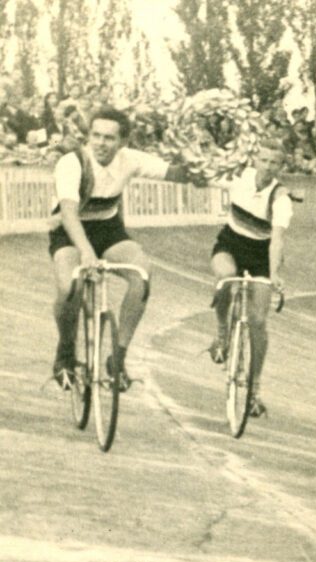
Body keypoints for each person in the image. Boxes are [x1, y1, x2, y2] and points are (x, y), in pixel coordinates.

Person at [49, 107, 197, 390]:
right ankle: (65, 353)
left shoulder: (131, 159)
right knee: (71, 287)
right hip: (70, 231)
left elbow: (177, 174)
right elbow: (68, 214)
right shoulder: (72, 163)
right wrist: (87, 253)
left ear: (123, 142)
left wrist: (199, 163)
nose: (101, 144)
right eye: (96, 136)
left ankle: (118, 358)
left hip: (107, 229)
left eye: (109, 138)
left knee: (142, 274)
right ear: (88, 136)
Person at [207, 141, 293, 419]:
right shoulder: (238, 177)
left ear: (281, 167)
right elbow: (206, 176)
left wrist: (274, 273)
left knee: (257, 321)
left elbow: (277, 240)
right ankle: (222, 334)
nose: (267, 167)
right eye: (264, 160)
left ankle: (254, 390)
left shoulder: (281, 198)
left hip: (260, 255)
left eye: (274, 163)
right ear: (256, 160)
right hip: (230, 245)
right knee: (225, 279)